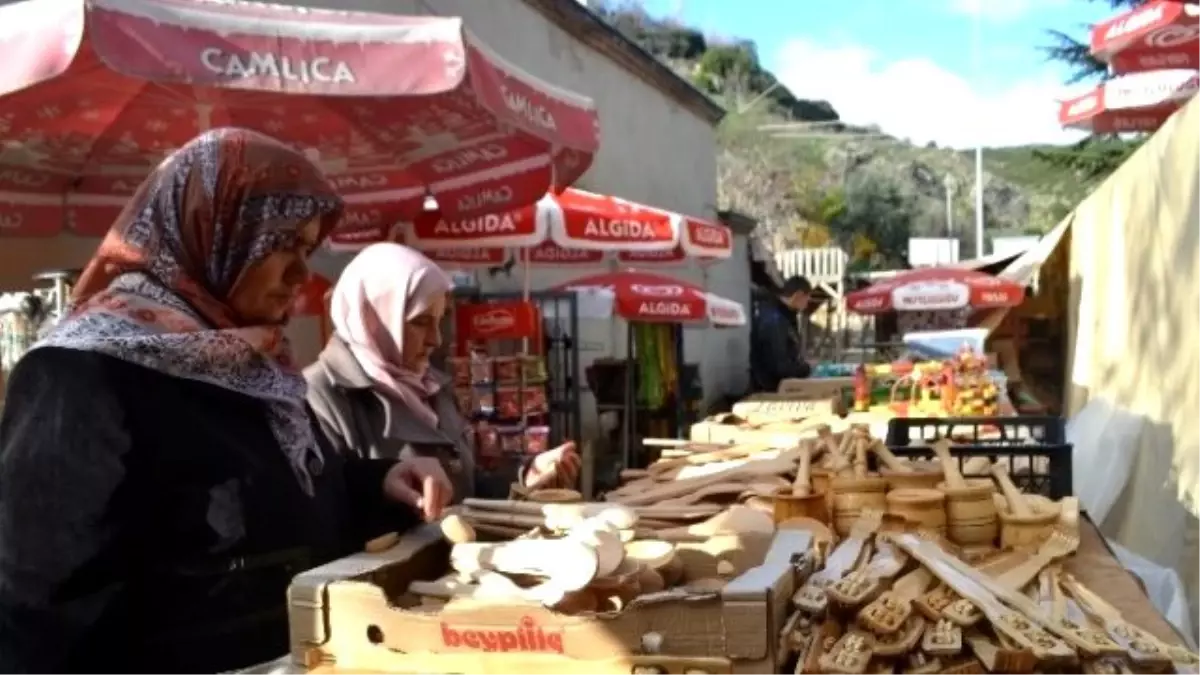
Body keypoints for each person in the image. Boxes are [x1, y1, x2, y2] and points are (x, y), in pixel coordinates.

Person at [0, 128, 452, 675]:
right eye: (282, 244)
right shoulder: (80, 376)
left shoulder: (255, 363)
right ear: (209, 233)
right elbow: (42, 620)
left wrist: (379, 483)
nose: (300, 275)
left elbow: (285, 500)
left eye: (307, 250)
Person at [305, 243, 580, 498]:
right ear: (372, 317)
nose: (435, 339)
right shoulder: (319, 395)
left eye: (440, 320)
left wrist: (526, 476)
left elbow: (466, 489)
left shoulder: (430, 385)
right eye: (420, 322)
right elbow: (328, 506)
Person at [751, 275, 813, 392]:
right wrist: (806, 369)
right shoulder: (775, 319)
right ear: (798, 295)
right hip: (770, 388)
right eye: (807, 299)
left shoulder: (782, 315)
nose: (807, 305)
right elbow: (780, 365)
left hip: (775, 385)